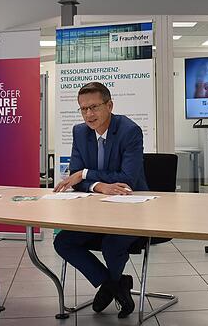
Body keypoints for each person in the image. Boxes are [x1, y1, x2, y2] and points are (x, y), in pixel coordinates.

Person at [52, 82, 148, 318]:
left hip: (132, 210)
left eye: (94, 107)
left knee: (111, 243)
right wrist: (97, 185)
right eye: (83, 109)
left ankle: (110, 285)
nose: (88, 114)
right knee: (63, 242)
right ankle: (114, 284)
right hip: (95, 211)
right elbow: (75, 178)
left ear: (110, 105)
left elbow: (127, 179)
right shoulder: (79, 132)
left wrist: (86, 175)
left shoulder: (129, 131)